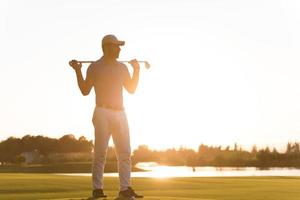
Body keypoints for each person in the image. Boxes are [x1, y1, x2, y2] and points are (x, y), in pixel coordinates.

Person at [69, 34, 143, 200]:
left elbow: (131, 89)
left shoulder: (122, 68)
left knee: (125, 152)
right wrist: (78, 71)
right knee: (100, 153)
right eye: (116, 46)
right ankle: (97, 190)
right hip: (102, 112)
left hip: (121, 112)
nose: (119, 49)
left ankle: (125, 189)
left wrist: (136, 70)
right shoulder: (95, 67)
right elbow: (85, 90)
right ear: (107, 47)